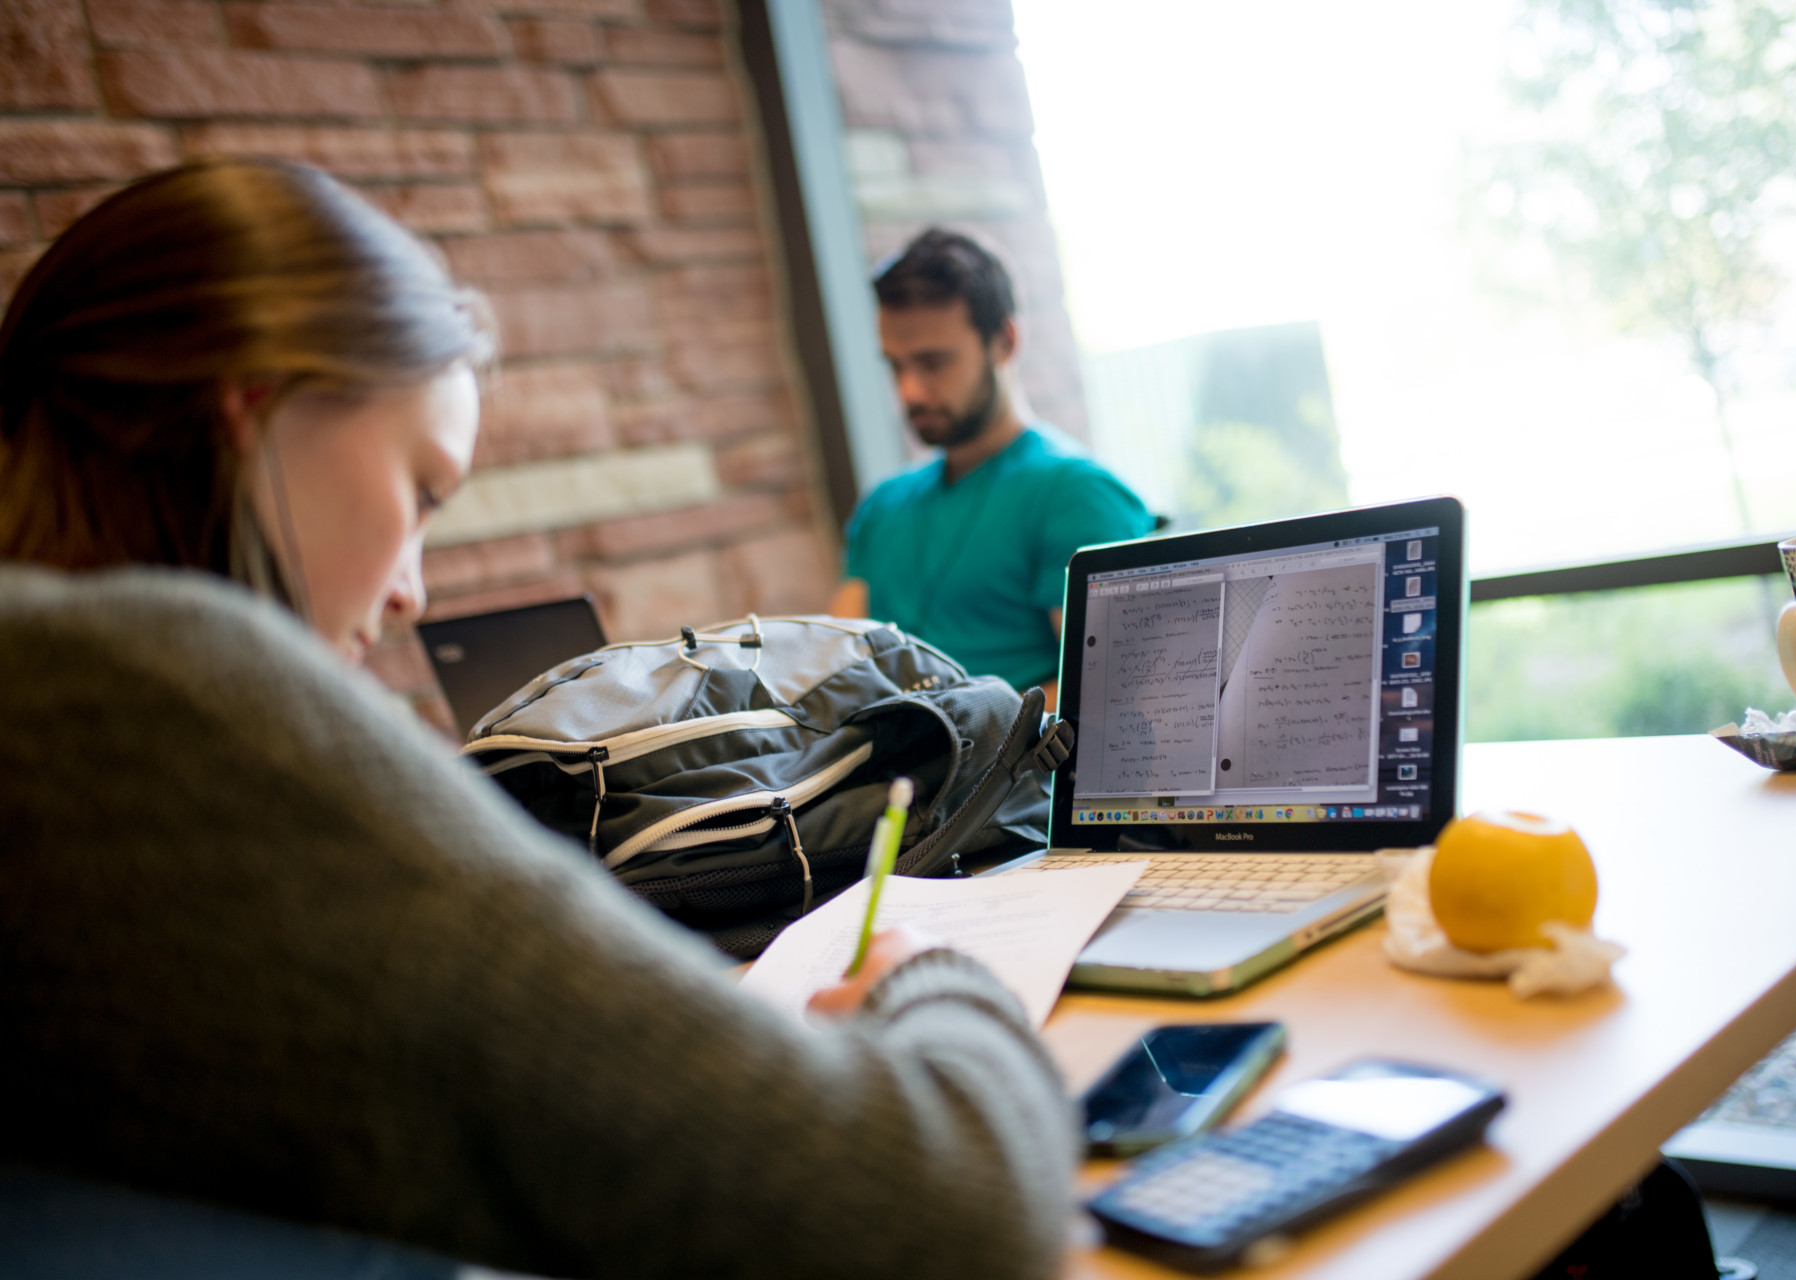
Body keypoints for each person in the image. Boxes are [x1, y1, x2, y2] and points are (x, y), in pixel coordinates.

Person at [0, 161, 1075, 1279]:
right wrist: (934, 974)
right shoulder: (178, 707)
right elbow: (952, 1205)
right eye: (421, 489)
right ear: (256, 410)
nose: (411, 586)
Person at [828, 229, 1154, 706]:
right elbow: (832, 670)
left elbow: (1117, 693)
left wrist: (945, 737)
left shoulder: (1076, 494)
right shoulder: (881, 506)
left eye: (933, 363)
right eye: (895, 366)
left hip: (1010, 778)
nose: (910, 392)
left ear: (1004, 340)